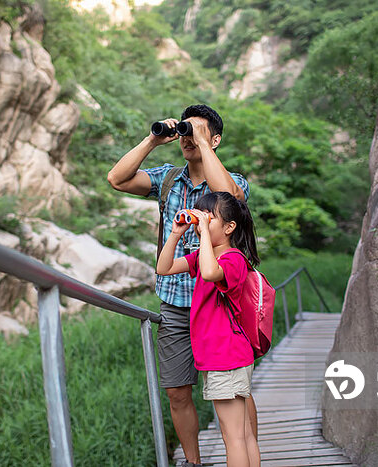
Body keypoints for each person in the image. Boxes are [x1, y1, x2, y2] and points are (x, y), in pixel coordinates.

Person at [107, 104, 257, 466]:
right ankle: (193, 462)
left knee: (236, 393)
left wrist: (203, 144)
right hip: (176, 302)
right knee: (177, 391)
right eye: (186, 133)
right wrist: (153, 140)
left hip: (222, 307)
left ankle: (248, 452)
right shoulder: (168, 178)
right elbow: (117, 179)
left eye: (199, 131)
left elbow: (231, 199)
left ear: (215, 139)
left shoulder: (232, 179)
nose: (188, 138)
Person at [156, 191, 261, 467]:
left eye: (210, 219)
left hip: (225, 356)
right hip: (227, 355)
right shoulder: (207, 256)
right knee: (244, 434)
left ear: (229, 228)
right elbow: (163, 267)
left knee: (234, 437)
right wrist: (176, 233)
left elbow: (209, 273)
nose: (201, 223)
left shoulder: (232, 260)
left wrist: (202, 234)